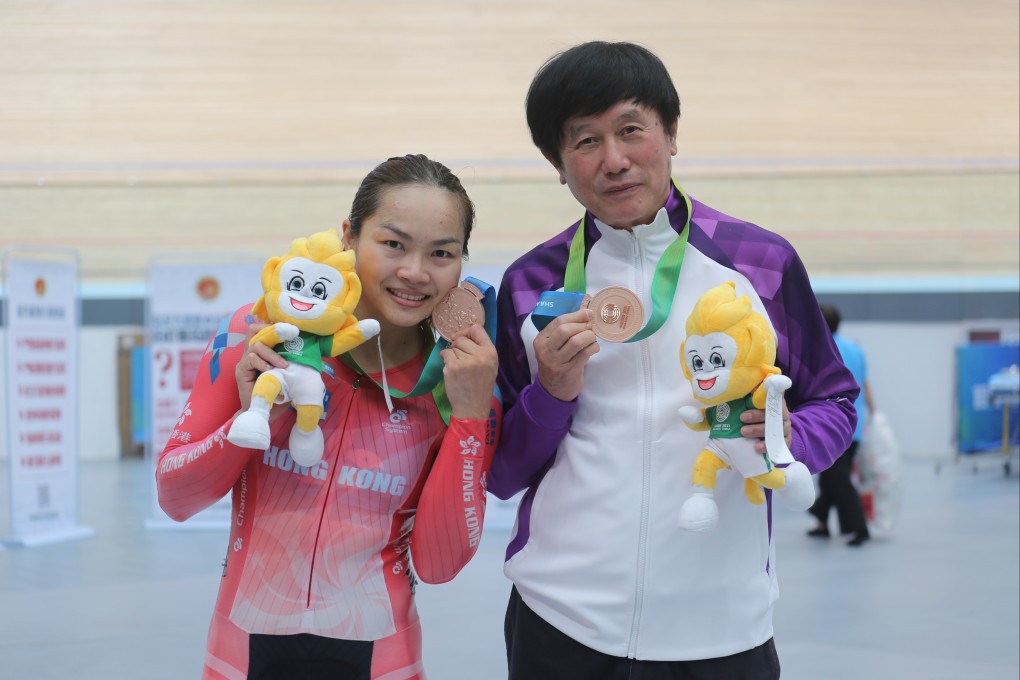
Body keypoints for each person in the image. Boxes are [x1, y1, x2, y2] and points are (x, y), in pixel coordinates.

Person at [488, 41, 860, 679]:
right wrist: (550, 392)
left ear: (672, 133)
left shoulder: (760, 262)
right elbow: (502, 472)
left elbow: (833, 397)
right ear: (558, 164)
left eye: (632, 130)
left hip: (721, 627)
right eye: (584, 141)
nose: (614, 160)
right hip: (561, 620)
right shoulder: (534, 282)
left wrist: (790, 437)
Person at [156, 154, 501, 680]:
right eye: (393, 244)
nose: (414, 271)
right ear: (348, 237)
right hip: (241, 653)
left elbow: (439, 563)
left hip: (383, 658)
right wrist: (254, 418)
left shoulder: (460, 380)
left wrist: (471, 416)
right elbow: (175, 497)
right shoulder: (257, 335)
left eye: (441, 253)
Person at [808, 304, 874, 546]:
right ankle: (821, 518)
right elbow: (865, 384)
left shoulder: (824, 350)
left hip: (833, 425)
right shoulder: (855, 348)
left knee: (839, 479)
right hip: (856, 423)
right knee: (830, 476)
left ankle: (859, 528)